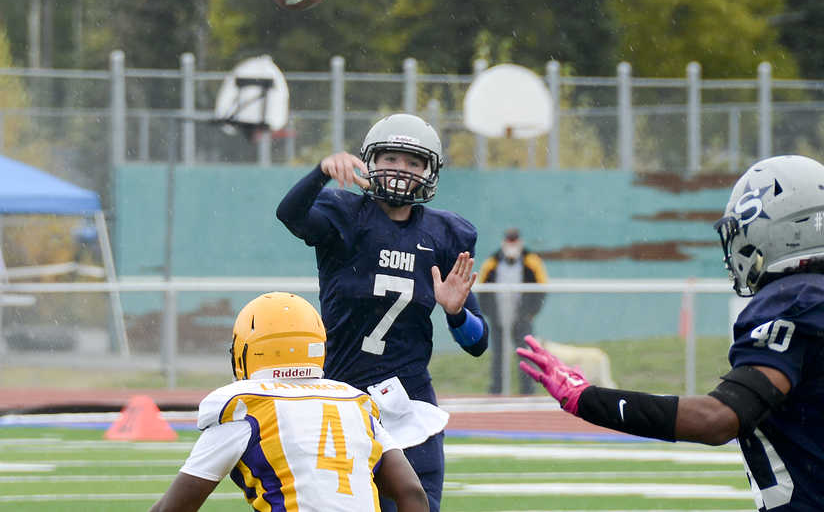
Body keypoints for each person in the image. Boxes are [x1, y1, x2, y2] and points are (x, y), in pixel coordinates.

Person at [518, 155, 824, 512]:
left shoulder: (801, 298)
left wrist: (588, 399)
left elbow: (719, 419)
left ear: (784, 229)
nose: (738, 246)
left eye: (745, 228)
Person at [276, 113, 488, 512]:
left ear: (430, 171)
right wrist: (321, 172)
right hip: (342, 396)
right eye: (391, 158)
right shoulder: (344, 216)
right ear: (369, 162)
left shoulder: (445, 236)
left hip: (410, 404)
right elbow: (290, 214)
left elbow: (479, 343)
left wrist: (456, 313)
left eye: (413, 162)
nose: (400, 170)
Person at [148, 292, 428, 512]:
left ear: (248, 350)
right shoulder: (353, 403)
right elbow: (411, 492)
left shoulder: (248, 408)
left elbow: (174, 508)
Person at [478, 227, 548, 394]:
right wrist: (491, 313)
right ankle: (497, 389)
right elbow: (482, 290)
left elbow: (541, 288)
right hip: (499, 317)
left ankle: (527, 390)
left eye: (514, 241)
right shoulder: (492, 262)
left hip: (522, 317)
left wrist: (530, 313)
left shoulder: (532, 260)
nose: (512, 245)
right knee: (498, 355)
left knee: (525, 354)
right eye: (509, 241)